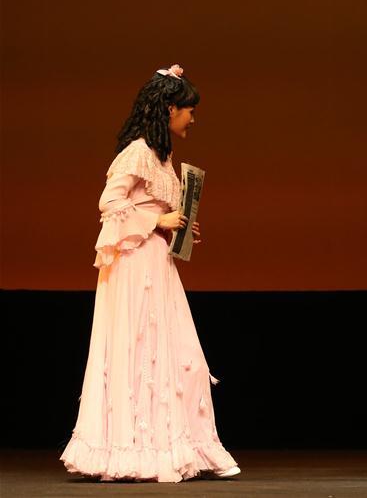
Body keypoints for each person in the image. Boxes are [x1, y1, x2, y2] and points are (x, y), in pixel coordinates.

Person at [61, 65, 239, 482]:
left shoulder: (162, 156)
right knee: (140, 350)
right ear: (170, 108)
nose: (192, 119)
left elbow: (156, 209)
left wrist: (179, 224)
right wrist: (158, 222)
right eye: (189, 111)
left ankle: (187, 445)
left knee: (179, 356)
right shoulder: (137, 152)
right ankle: (138, 451)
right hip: (134, 263)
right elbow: (110, 205)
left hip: (158, 265)